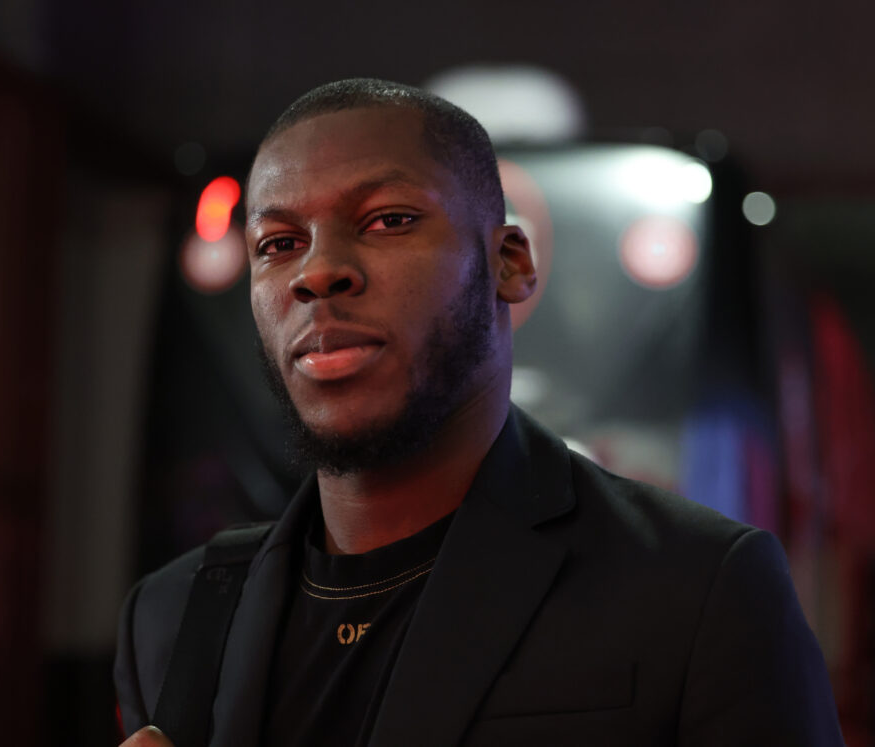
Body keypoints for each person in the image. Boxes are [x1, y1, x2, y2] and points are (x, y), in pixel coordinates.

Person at [115, 79, 843, 746]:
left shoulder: (698, 588)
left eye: (387, 220)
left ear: (510, 262)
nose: (317, 270)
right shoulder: (171, 617)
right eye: (278, 244)